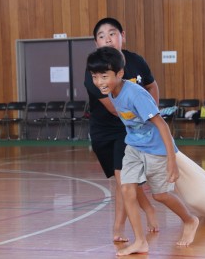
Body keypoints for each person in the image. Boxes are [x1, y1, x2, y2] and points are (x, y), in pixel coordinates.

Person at [87, 46, 200, 256]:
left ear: (119, 74)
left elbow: (162, 125)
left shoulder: (135, 95)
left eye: (104, 76)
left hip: (156, 149)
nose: (99, 82)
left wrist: (171, 160)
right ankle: (140, 241)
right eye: (95, 76)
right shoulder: (111, 92)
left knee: (161, 195)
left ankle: (190, 220)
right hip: (133, 147)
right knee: (127, 189)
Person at [84, 17, 159, 242]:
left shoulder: (137, 61)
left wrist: (152, 112)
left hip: (128, 132)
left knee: (123, 180)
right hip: (104, 131)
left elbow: (151, 85)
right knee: (124, 181)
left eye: (112, 33)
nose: (107, 38)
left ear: (122, 36)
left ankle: (118, 228)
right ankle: (148, 209)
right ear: (96, 43)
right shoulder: (93, 71)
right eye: (101, 36)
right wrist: (144, 116)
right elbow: (116, 109)